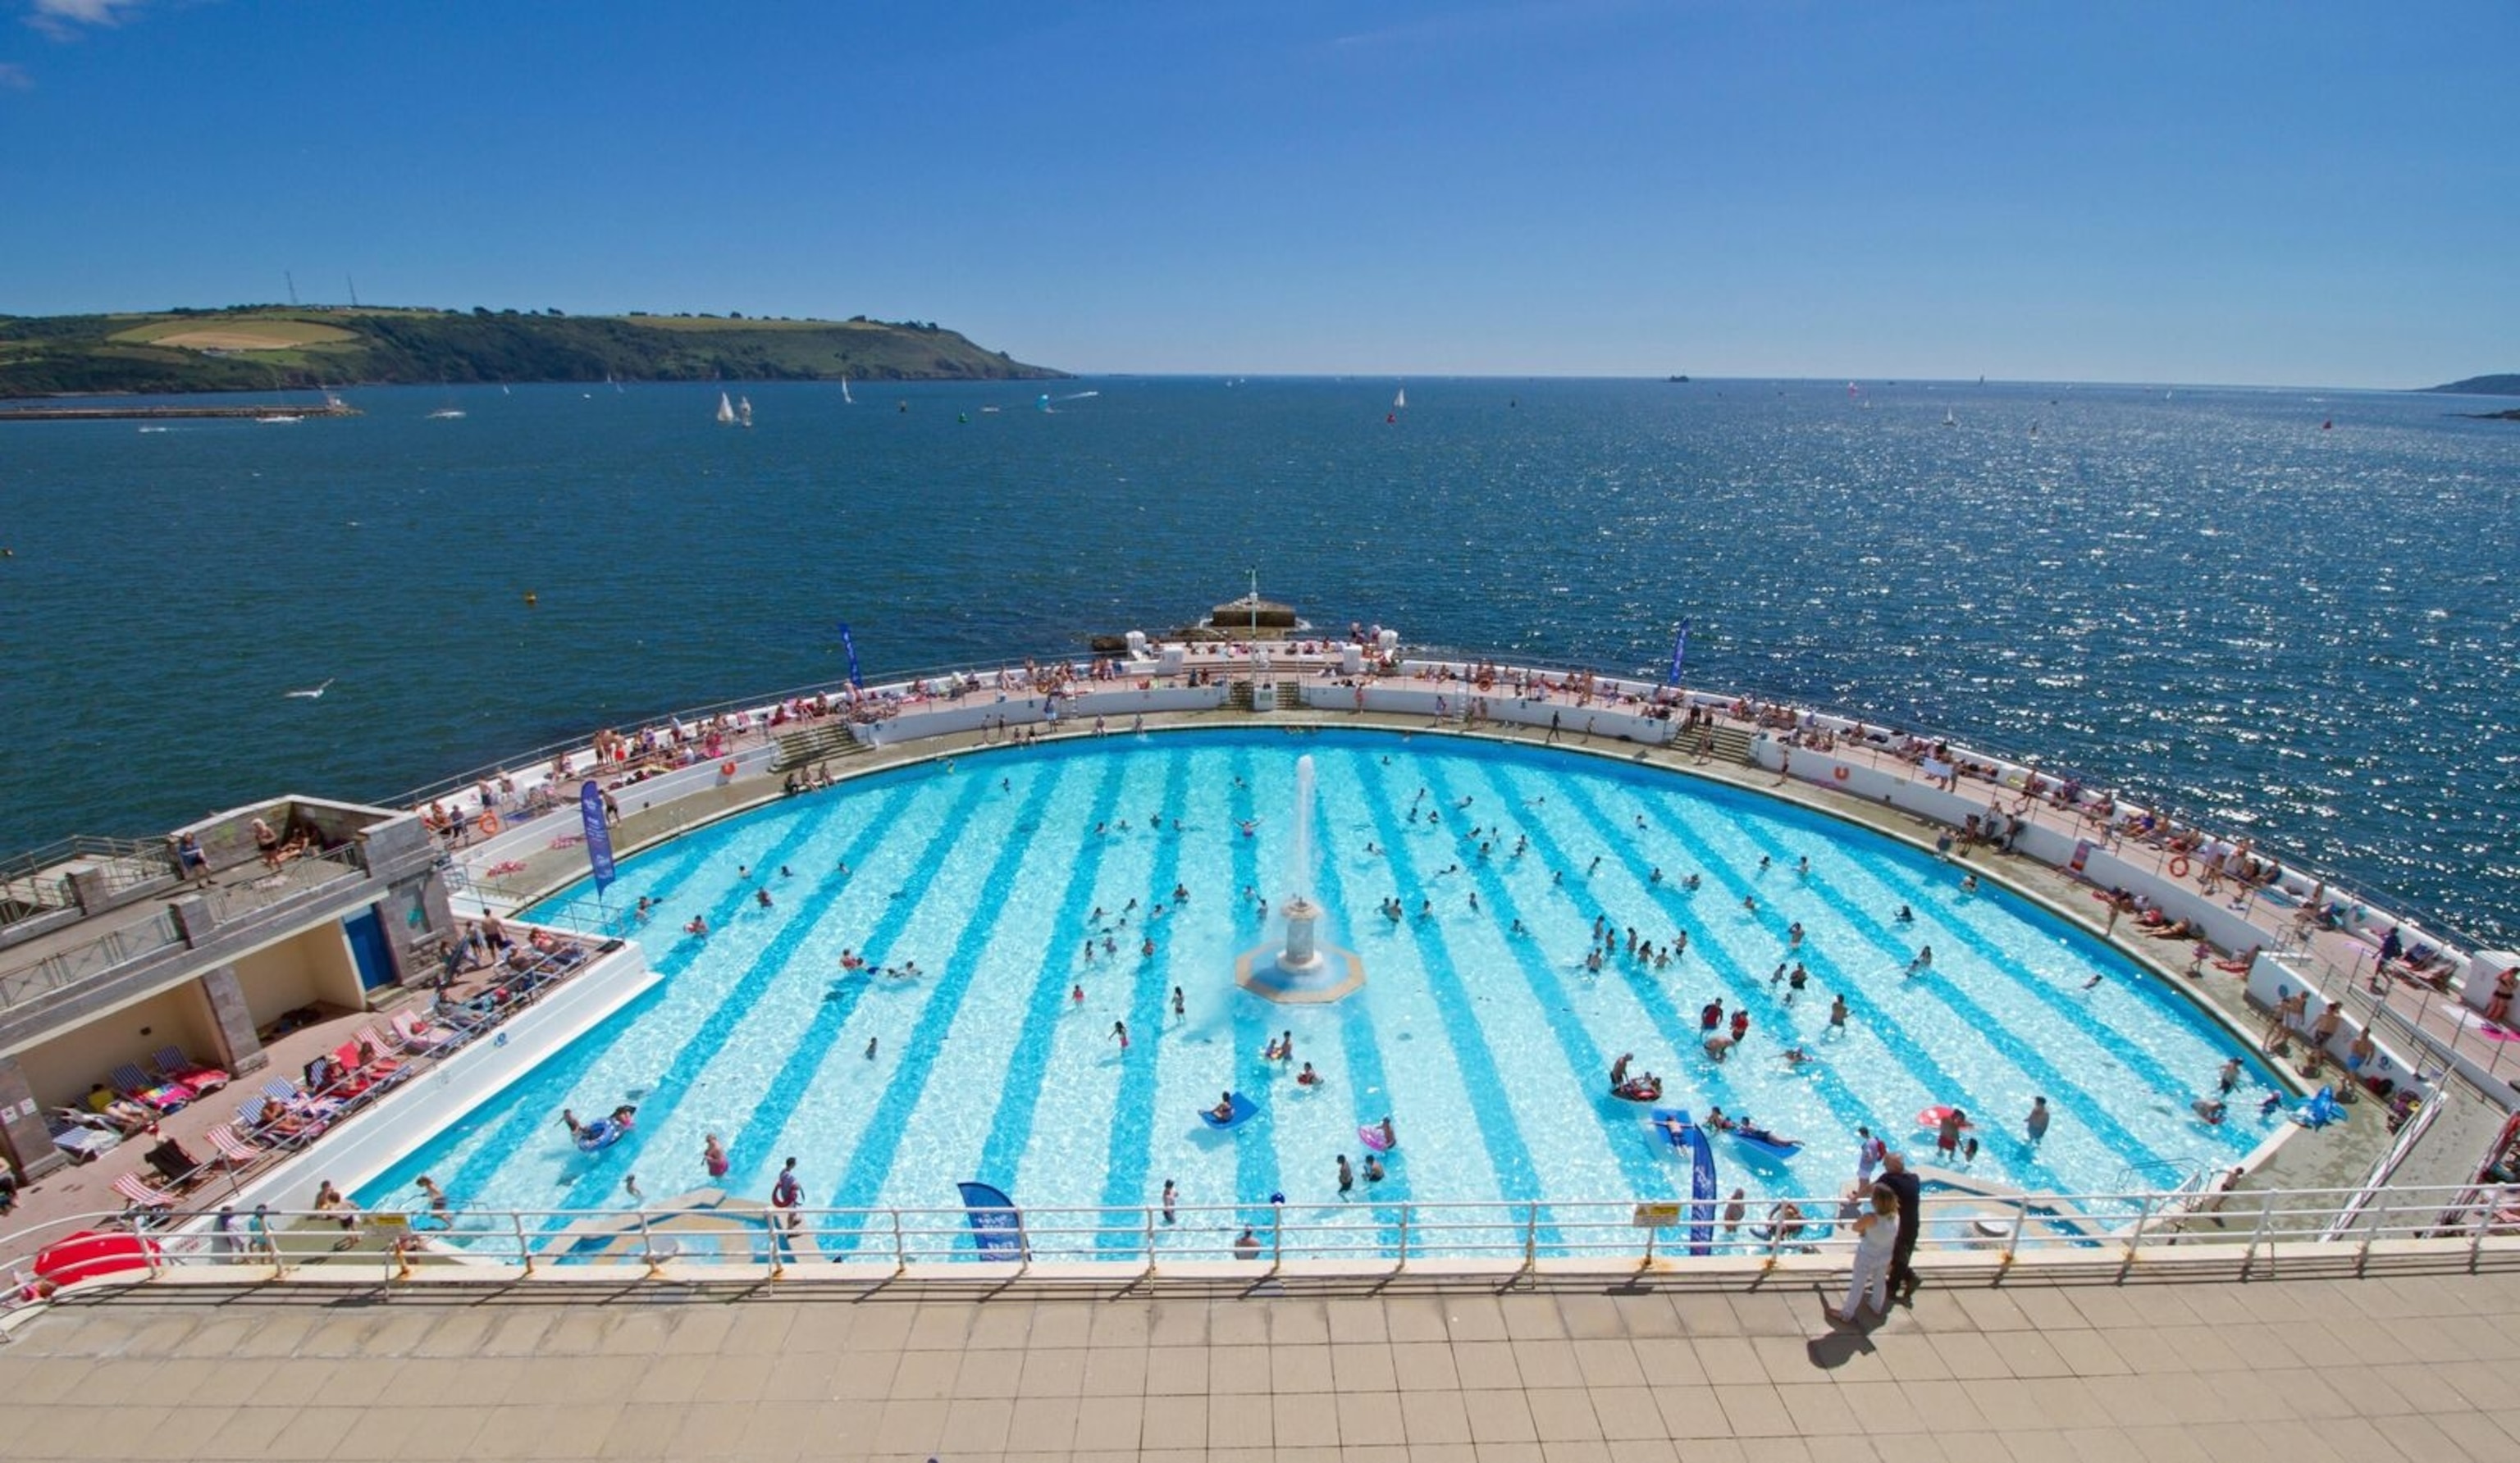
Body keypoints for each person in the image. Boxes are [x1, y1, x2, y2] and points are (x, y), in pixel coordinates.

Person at [1833, 1184, 1902, 1325]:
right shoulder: (1895, 1216)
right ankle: (1876, 1307)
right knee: (1879, 1281)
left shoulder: (1871, 1218)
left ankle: (1847, 1314)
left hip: (1868, 1255)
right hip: (1885, 1255)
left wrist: (1865, 1230)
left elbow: (1855, 1228)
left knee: (1858, 1284)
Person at [1878, 1152, 1923, 1301]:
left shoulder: (1889, 1179)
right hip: (1913, 1224)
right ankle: (1909, 1278)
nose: (1883, 1166)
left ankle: (1893, 1288)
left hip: (1899, 1226)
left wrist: (1856, 1197)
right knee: (1901, 1257)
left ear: (1894, 1166)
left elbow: (1873, 1187)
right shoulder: (1914, 1179)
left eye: (1886, 1164)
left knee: (1895, 1256)